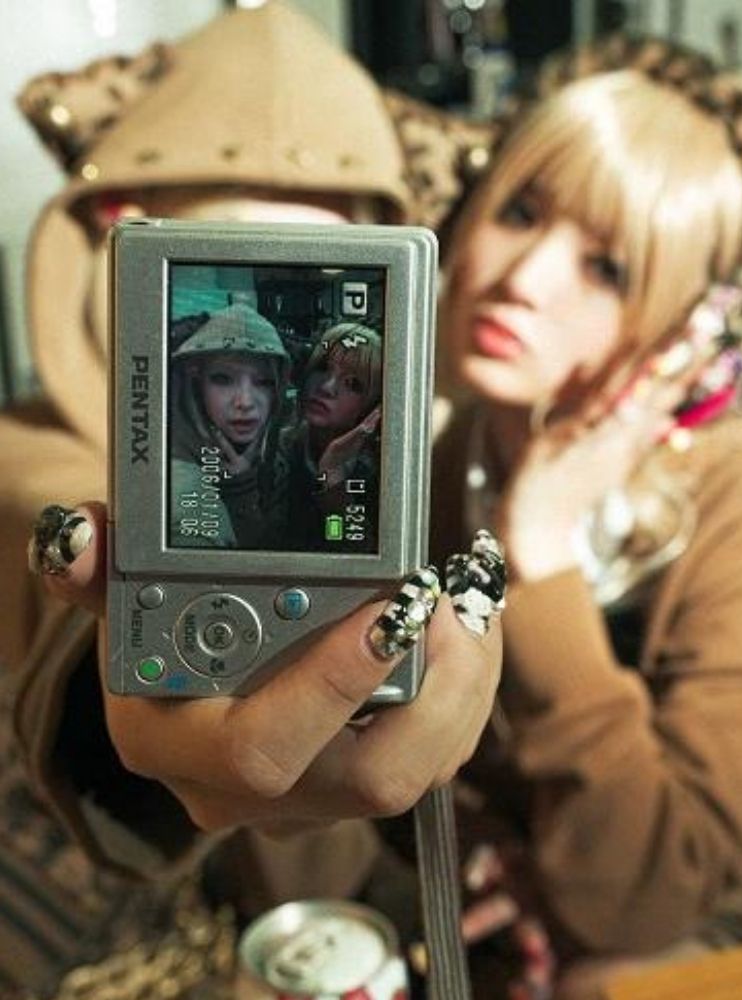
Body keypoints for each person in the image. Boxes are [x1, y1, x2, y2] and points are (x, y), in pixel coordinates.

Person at [0, 3, 501, 996]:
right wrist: (122, 663)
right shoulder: (26, 453)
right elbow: (40, 495)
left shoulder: (385, 451)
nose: (244, 396)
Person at [430, 33, 742, 1000]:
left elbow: (648, 894)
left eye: (607, 267)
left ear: (684, 331)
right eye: (520, 212)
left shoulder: (730, 499)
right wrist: (491, 848)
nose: (523, 279)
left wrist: (540, 551)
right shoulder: (443, 450)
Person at [170, 302, 291, 549]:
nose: (245, 402)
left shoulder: (277, 456)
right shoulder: (177, 479)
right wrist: (240, 492)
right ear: (196, 384)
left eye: (264, 382)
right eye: (222, 379)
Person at [290, 321, 382, 550]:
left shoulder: (380, 476)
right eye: (323, 368)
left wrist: (333, 481)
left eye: (352, 383)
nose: (327, 387)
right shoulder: (276, 449)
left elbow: (351, 547)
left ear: (373, 407)